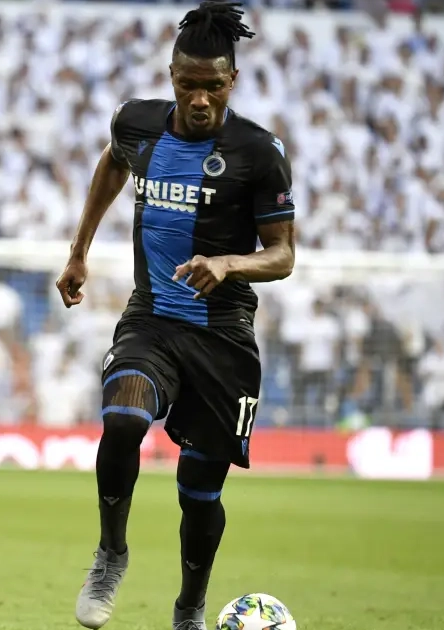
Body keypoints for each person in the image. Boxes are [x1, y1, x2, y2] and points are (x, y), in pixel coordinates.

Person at [54, 3, 295, 629]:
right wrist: (79, 252)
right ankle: (111, 553)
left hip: (223, 338)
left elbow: (283, 255)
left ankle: (189, 608)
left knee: (200, 494)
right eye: (188, 84)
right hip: (152, 319)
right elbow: (113, 161)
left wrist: (229, 264)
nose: (199, 98)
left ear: (232, 80)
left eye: (212, 86)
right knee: (122, 418)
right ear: (171, 75)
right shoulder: (135, 124)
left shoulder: (259, 151)